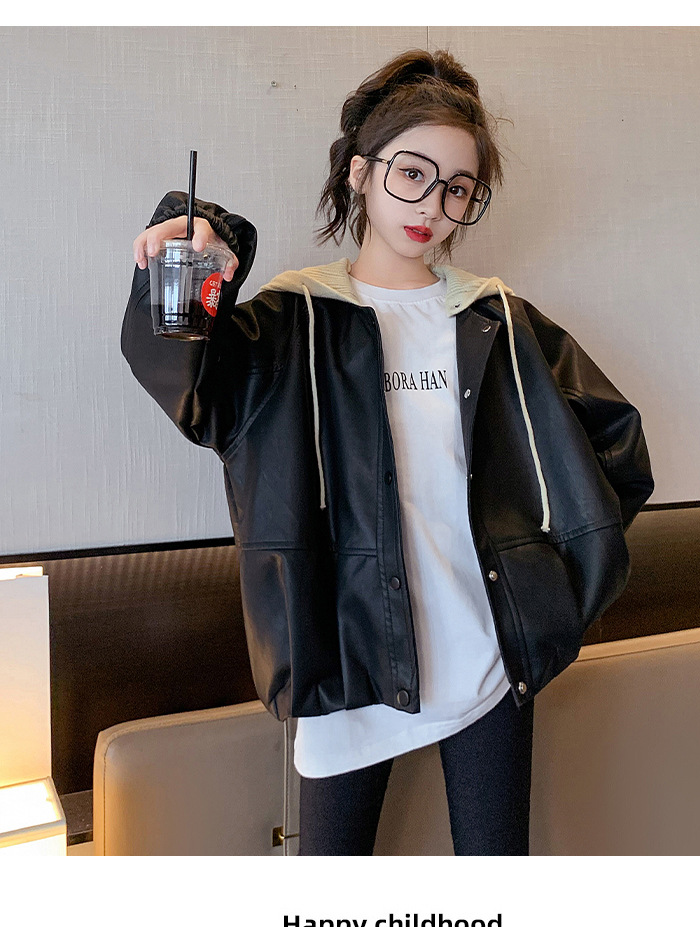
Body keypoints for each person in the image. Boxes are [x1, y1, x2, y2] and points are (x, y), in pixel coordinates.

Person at [122, 49, 654, 856]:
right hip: (343, 662)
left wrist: (546, 589)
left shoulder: (496, 319)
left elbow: (615, 447)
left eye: (458, 188)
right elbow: (192, 388)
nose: (432, 206)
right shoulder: (293, 321)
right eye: (412, 173)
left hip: (488, 659)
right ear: (361, 173)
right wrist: (199, 250)